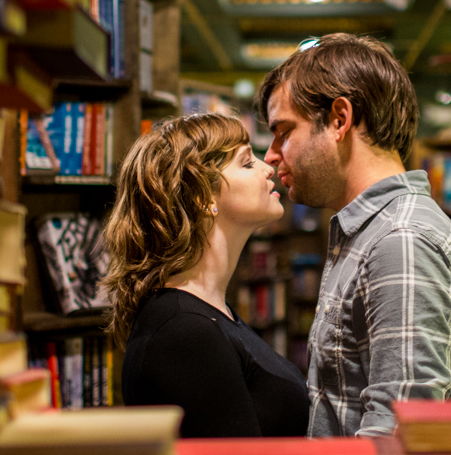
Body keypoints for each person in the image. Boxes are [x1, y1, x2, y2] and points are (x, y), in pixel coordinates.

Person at [255, 33, 451, 437]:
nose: (271, 155)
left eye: (284, 131)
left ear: (338, 120)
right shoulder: (371, 233)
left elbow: (396, 437)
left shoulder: (400, 241)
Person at [103, 112, 309, 437]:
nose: (268, 167)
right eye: (246, 163)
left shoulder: (211, 313)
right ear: (203, 196)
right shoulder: (184, 333)